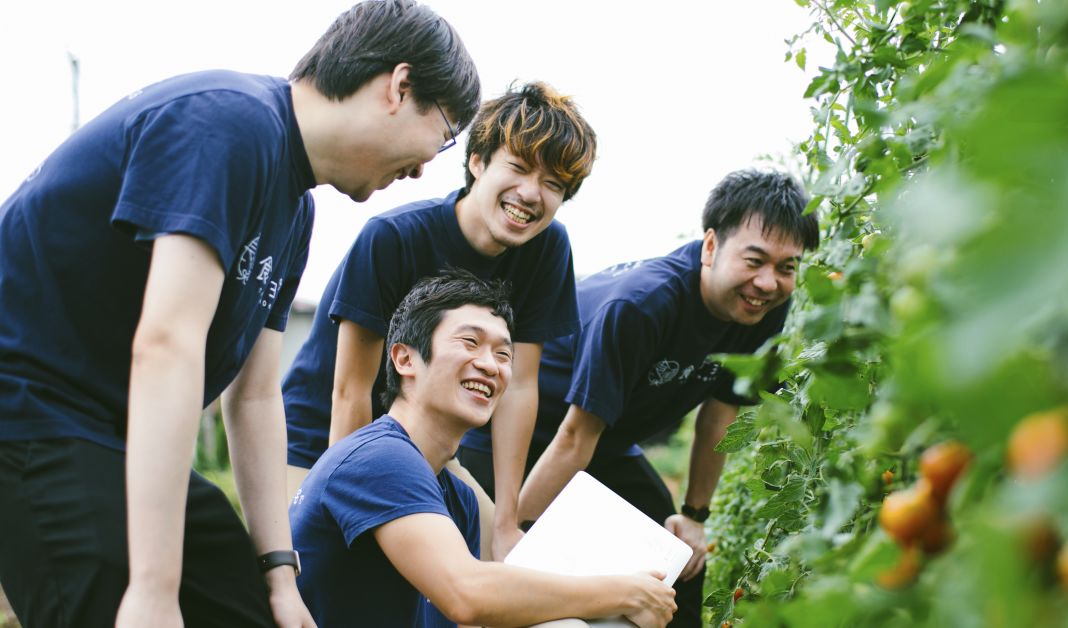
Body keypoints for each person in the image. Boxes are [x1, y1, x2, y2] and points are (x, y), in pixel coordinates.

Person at [0, 1, 479, 626]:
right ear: (399, 86)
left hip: (111, 435)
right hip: (31, 414)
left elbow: (253, 396)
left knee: (243, 607)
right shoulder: (231, 123)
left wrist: (280, 577)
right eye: (440, 140)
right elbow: (168, 341)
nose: (423, 169)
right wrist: (152, 588)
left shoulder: (295, 209)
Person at [458, 169, 821, 627]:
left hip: (603, 441)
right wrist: (515, 536)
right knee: (509, 579)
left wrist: (694, 516)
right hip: (525, 438)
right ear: (711, 247)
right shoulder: (642, 305)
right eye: (755, 260)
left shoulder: (762, 309)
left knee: (677, 560)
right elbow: (572, 439)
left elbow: (720, 412)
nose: (768, 283)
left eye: (787, 268)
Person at [283, 80, 596, 560]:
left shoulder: (548, 249)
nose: (531, 194)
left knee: (503, 563)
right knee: (333, 579)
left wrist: (508, 522)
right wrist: (352, 512)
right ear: (477, 162)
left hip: (426, 446)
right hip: (320, 440)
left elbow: (518, 386)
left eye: (553, 184)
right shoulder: (392, 238)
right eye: (517, 168)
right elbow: (350, 390)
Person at [290, 271, 676, 627]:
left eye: (504, 354)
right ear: (405, 358)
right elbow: (466, 593)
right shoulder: (379, 457)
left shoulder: (457, 498)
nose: (491, 366)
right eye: (470, 342)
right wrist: (626, 592)